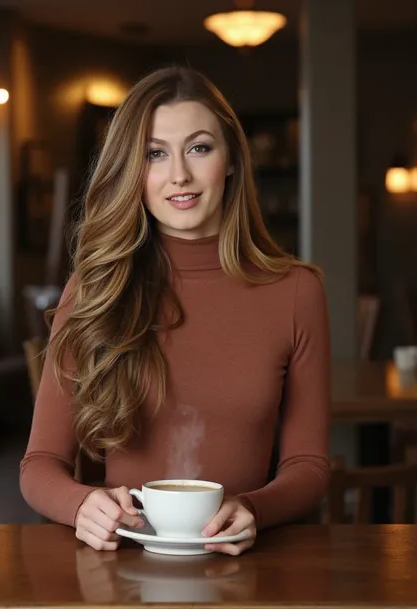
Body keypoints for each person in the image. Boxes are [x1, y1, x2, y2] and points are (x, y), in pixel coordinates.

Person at [20, 66, 331, 556]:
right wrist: (81, 504)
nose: (179, 174)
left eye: (199, 148)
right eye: (154, 154)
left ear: (230, 159)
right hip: (120, 570)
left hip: (246, 569)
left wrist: (255, 508)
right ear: (133, 170)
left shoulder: (296, 291)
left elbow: (309, 465)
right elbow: (39, 464)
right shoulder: (94, 289)